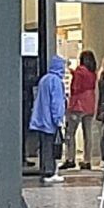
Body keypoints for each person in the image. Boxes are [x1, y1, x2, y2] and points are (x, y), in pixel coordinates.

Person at [29, 55, 67, 184]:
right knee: (50, 147)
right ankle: (50, 172)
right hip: (49, 120)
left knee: (44, 146)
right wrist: (58, 119)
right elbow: (56, 103)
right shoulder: (56, 81)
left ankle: (44, 169)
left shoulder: (44, 79)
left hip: (40, 118)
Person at [61, 50, 97, 171]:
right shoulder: (93, 73)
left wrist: (70, 105)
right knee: (88, 134)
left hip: (78, 104)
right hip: (89, 104)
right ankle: (87, 160)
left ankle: (70, 159)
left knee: (70, 132)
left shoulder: (80, 71)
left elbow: (76, 88)